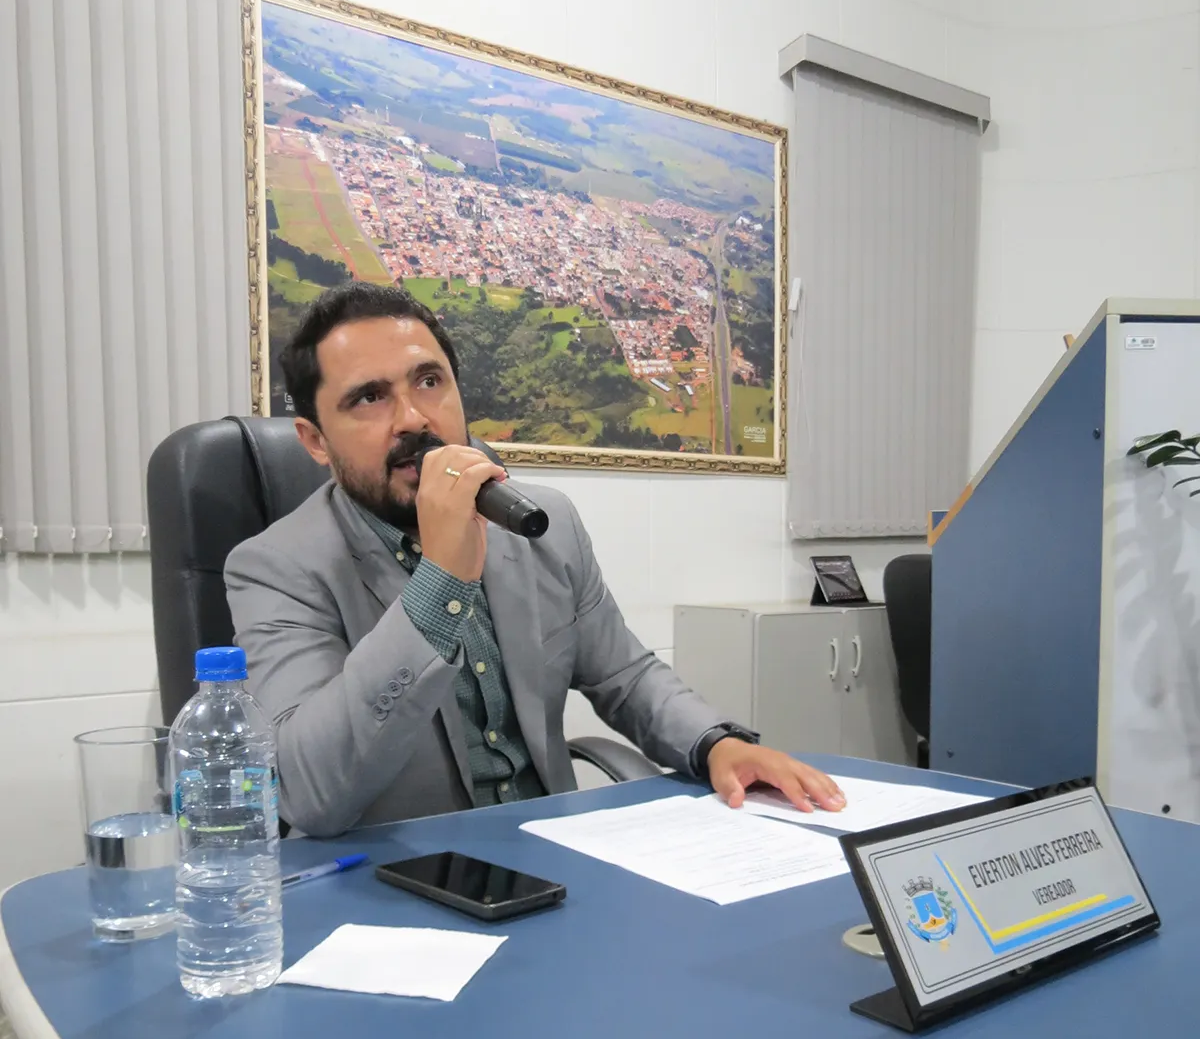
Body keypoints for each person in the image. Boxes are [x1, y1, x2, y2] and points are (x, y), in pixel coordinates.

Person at [225, 282, 845, 836]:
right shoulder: (276, 568)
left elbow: (625, 676)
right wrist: (440, 581)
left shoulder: (541, 521)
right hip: (398, 882)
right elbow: (310, 794)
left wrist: (715, 744)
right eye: (369, 397)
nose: (413, 419)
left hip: (552, 855)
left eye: (429, 382)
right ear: (314, 441)